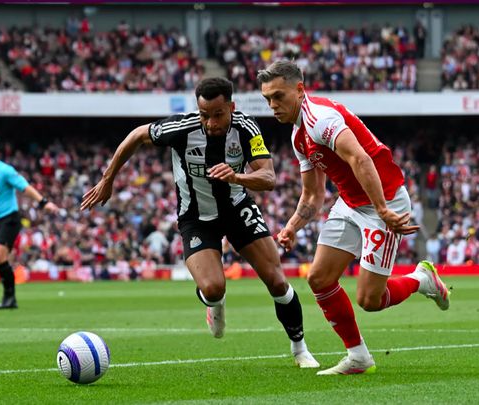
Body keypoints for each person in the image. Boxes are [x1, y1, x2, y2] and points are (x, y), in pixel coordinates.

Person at [81, 77, 319, 368]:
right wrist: (108, 179)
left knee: (277, 281)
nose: (210, 123)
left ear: (231, 107)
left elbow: (268, 178)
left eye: (218, 115)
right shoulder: (182, 128)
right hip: (196, 218)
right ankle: (213, 303)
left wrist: (237, 177)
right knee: (214, 288)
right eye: (205, 115)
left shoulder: (246, 128)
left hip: (237, 209)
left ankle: (300, 349)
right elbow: (137, 135)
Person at [258, 60, 450, 375]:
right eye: (267, 99)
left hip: (383, 201)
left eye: (278, 96)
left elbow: (359, 158)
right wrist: (292, 226)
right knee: (319, 278)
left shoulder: (320, 119)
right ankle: (358, 356)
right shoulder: (298, 136)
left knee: (370, 300)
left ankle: (421, 280)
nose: (272, 105)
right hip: (349, 203)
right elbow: (313, 194)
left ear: (300, 89)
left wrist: (383, 209)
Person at [0, 139, 59, 309]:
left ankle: (9, 297)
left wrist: (43, 202)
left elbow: (24, 187)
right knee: (0, 258)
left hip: (9, 218)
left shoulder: (5, 170)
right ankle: (9, 298)